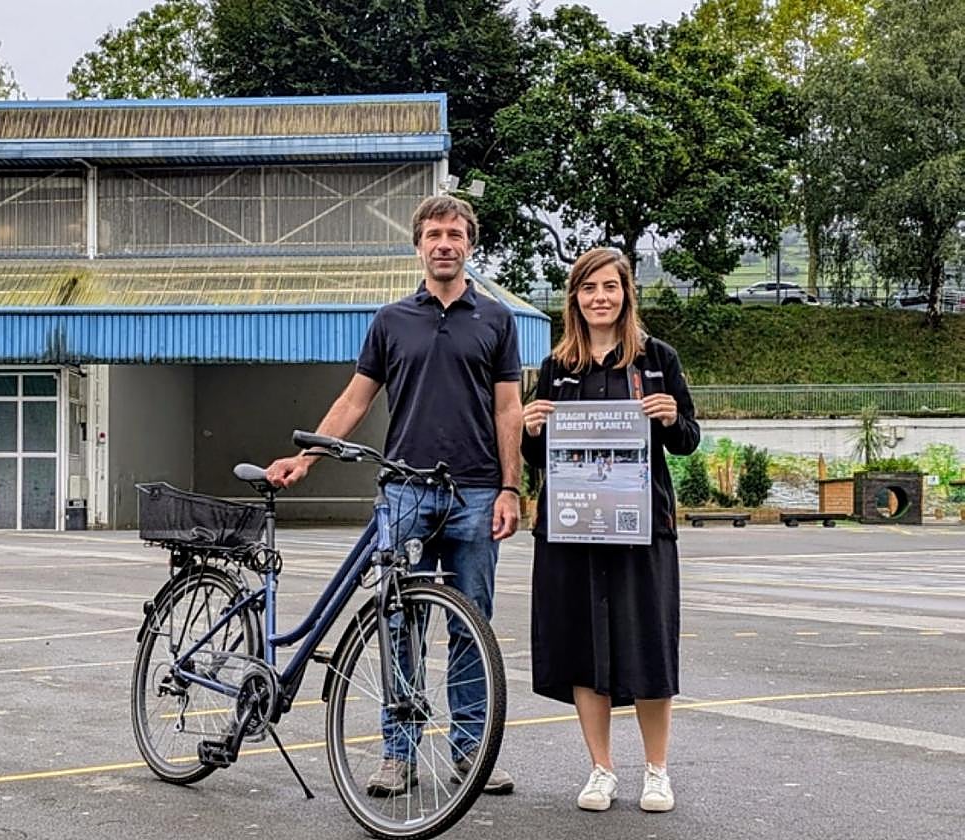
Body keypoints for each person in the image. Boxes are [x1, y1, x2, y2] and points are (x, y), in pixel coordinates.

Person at [265, 195, 522, 796]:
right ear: (418, 246)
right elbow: (355, 400)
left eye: (455, 234)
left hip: (477, 494)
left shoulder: (496, 320)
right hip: (405, 491)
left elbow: (508, 409)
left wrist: (512, 487)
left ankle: (469, 753)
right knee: (398, 621)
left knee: (470, 627)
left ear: (469, 245)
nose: (444, 244)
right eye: (434, 234)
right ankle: (398, 755)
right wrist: (308, 456)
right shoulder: (390, 320)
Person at [521, 248, 700, 813]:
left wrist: (672, 417)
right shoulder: (557, 367)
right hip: (572, 528)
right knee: (582, 648)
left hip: (643, 528)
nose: (600, 297)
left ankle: (657, 770)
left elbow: (688, 439)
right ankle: (601, 769)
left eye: (611, 287)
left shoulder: (656, 359)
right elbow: (537, 453)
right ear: (574, 297)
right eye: (589, 288)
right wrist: (529, 429)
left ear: (627, 294)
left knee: (647, 644)